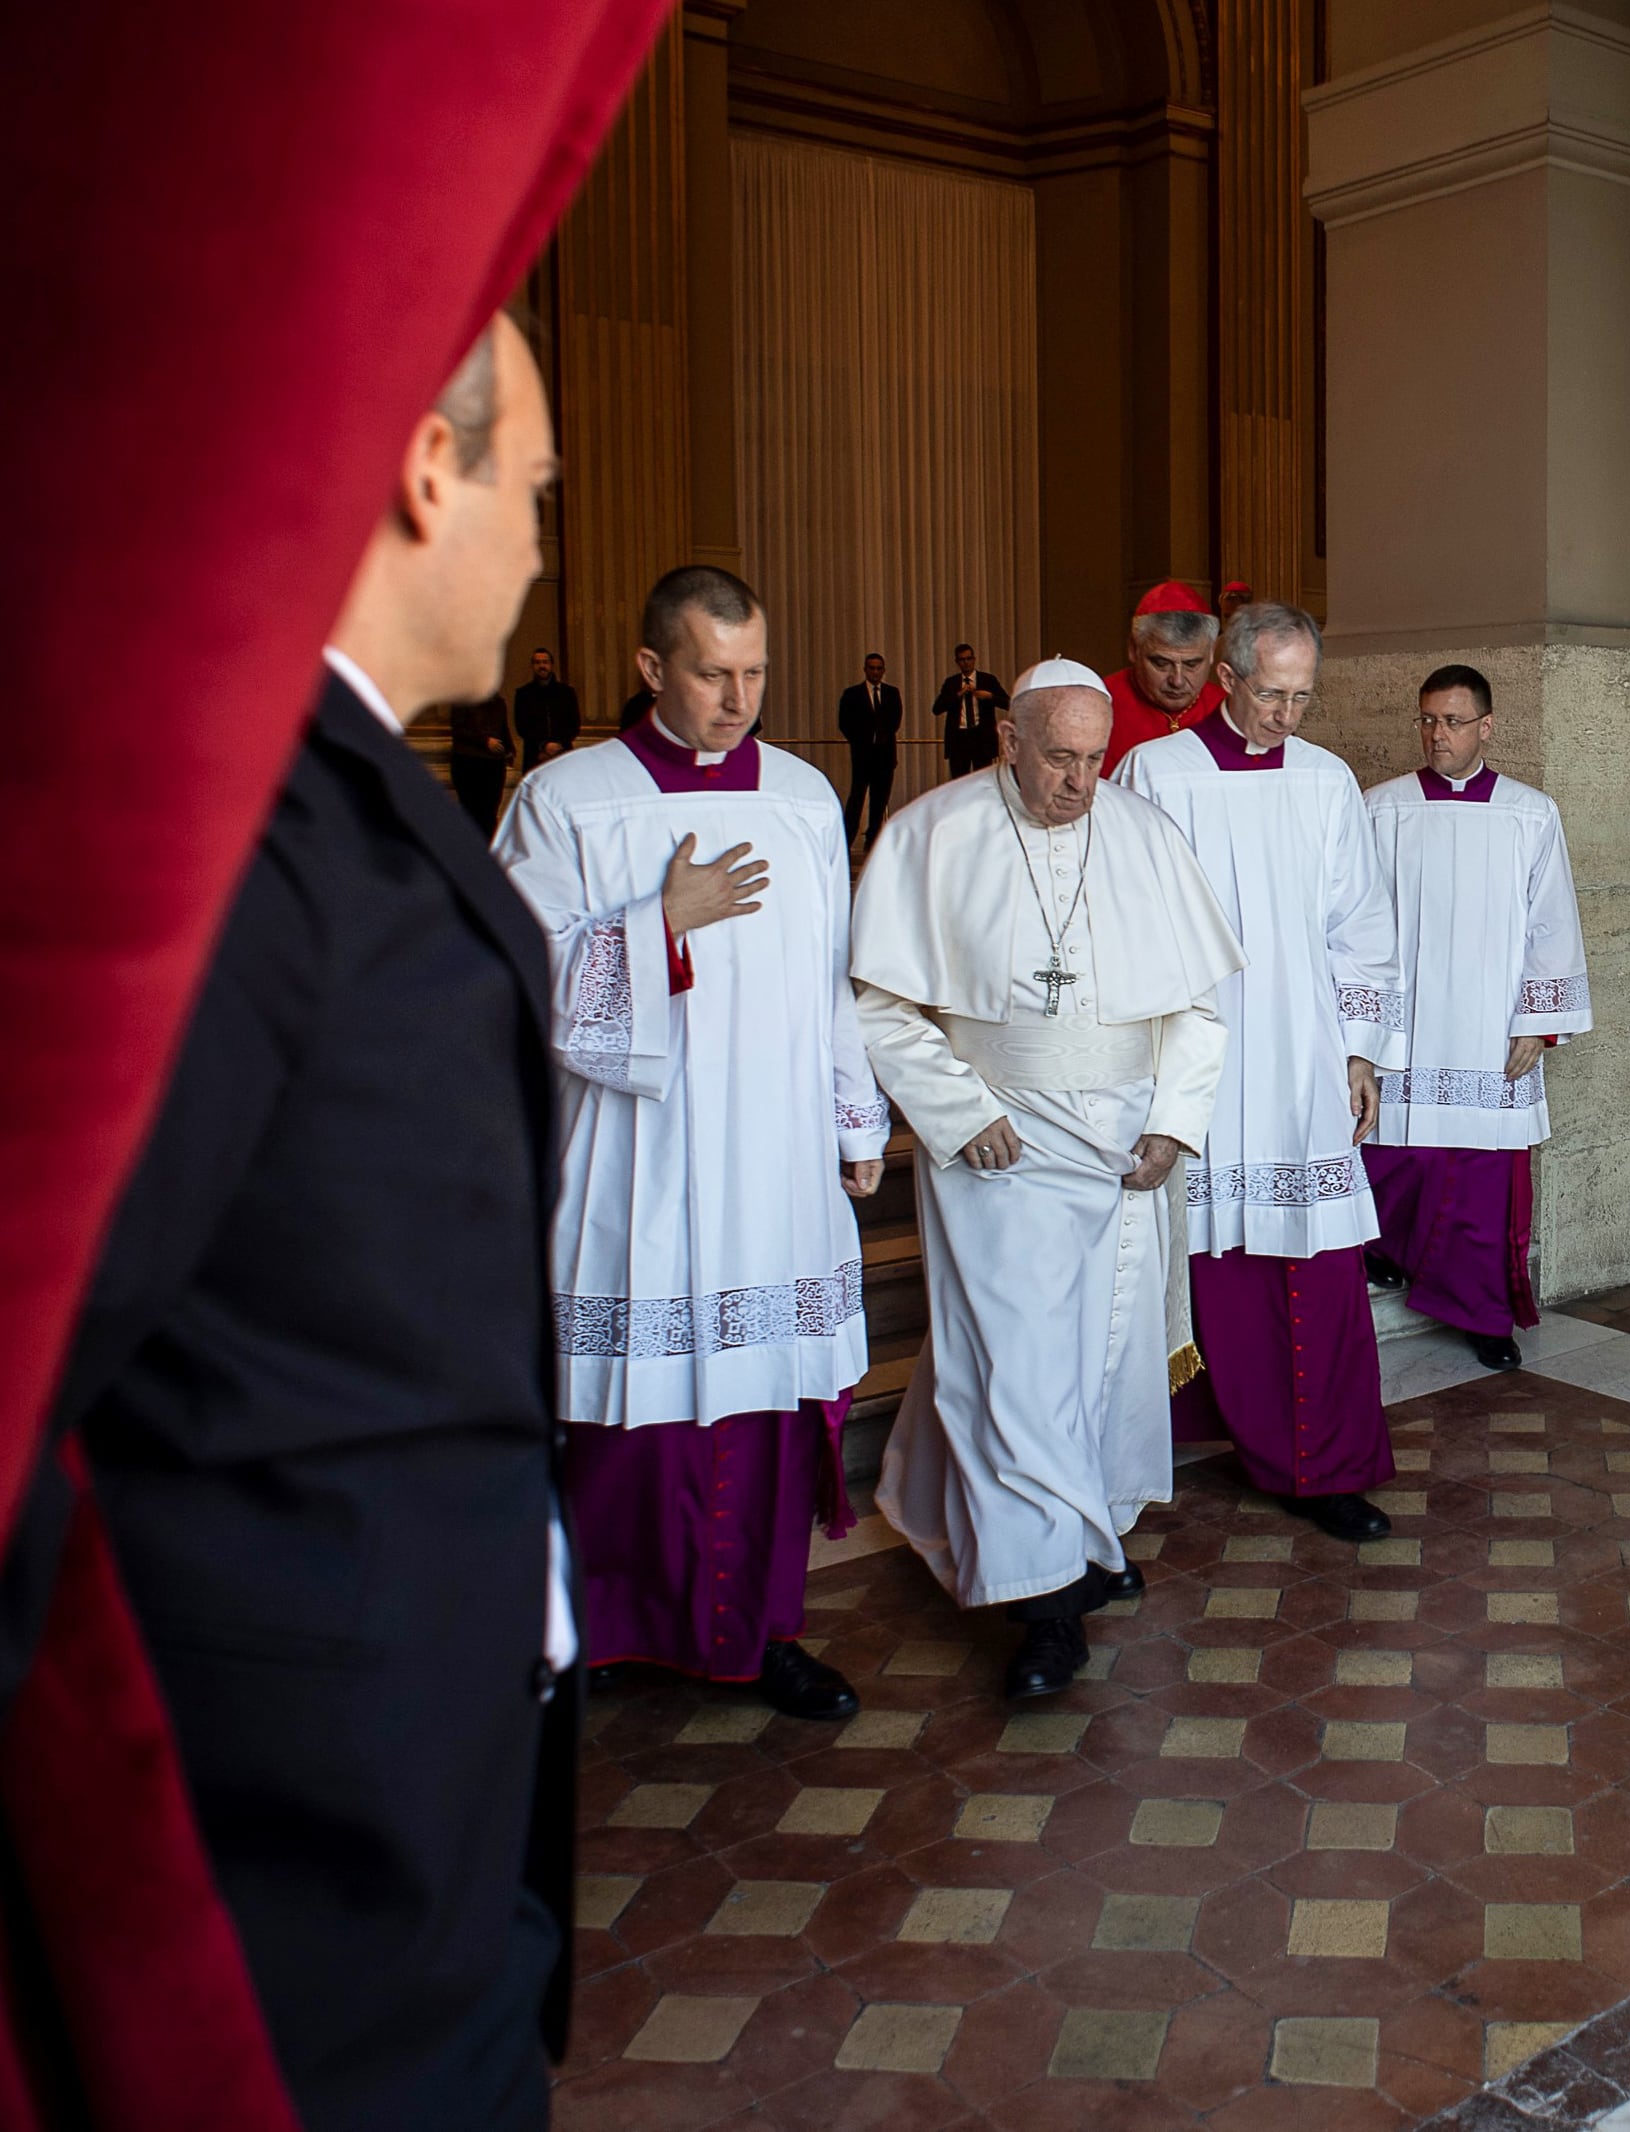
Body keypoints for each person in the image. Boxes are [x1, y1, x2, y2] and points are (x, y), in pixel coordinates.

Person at [48, 308, 575, 2127]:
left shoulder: (337, 776)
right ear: (430, 472)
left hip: (418, 1754)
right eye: (534, 491)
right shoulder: (238, 832)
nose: (541, 548)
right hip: (299, 1810)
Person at [494, 564, 886, 1722]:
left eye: (755, 672)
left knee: (764, 1404)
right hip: (637, 1157)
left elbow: (831, 977)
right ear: (652, 666)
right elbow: (508, 974)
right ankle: (601, 1633)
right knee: (630, 1416)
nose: (738, 698)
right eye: (713, 673)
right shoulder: (566, 799)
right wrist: (657, 923)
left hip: (773, 1158)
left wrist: (853, 1113)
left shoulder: (804, 798)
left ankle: (759, 1631)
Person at [851, 662, 1242, 1697]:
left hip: (1123, 1143)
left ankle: (1088, 1533)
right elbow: (881, 1002)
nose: (1078, 783)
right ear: (1009, 741)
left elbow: (1198, 1009)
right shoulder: (933, 833)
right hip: (1001, 1139)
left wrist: (1173, 1122)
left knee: (1107, 1354)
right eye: (1059, 757)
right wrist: (957, 1109)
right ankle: (1046, 1602)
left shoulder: (1145, 834)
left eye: (1094, 759)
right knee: (1014, 1362)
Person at [1115, 601, 1407, 1541]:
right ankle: (1200, 1439)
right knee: (1211, 1262)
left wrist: (1359, 1051)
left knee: (1317, 1265)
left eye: (1303, 696)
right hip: (1193, 1059)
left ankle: (1326, 1464)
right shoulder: (1156, 774)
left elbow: (1360, 928)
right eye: (1272, 694)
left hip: (1302, 1056)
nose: (1288, 714)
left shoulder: (1325, 780)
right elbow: (1124, 923)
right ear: (1227, 679)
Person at [1360, 664, 1592, 1371]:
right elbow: (1356, 923)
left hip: (1491, 1026)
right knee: (1397, 1156)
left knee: (1482, 1179)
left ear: (1486, 727)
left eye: (1454, 722)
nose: (1438, 735)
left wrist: (1536, 1022)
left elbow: (1552, 923)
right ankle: (1386, 1251)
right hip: (1407, 1026)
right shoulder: (1380, 809)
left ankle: (1481, 1312)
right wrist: (1361, 1030)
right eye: (1428, 720)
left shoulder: (1530, 812)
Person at [1102, 581, 1224, 772]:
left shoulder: (1228, 709)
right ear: (1133, 649)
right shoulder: (1100, 703)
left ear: (1211, 652)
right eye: (1161, 663)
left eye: (1191, 664)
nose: (1177, 681)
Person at [837, 650, 902, 849]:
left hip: (885, 756)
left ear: (883, 670)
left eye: (879, 669)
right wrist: (860, 741)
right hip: (862, 756)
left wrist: (881, 737)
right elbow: (844, 722)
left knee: (879, 802)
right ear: (865, 670)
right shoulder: (852, 694)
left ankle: (872, 841)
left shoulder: (892, 693)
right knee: (856, 799)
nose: (875, 672)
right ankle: (846, 841)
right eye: (872, 668)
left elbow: (895, 721)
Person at [446, 684, 515, 832]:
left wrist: (510, 749)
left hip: (493, 763)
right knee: (472, 811)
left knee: (490, 810)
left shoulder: (498, 702)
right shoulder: (463, 700)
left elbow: (503, 728)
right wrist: (485, 741)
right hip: (468, 761)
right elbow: (458, 729)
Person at [934, 642, 1005, 778]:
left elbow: (1007, 702)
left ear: (974, 659)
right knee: (959, 780)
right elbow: (937, 709)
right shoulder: (951, 683)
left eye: (969, 658)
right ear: (957, 662)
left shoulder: (987, 680)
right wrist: (958, 695)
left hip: (981, 737)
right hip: (959, 738)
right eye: (962, 660)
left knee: (983, 779)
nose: (966, 663)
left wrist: (990, 696)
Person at [515, 645, 581, 766]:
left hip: (562, 753)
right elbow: (522, 727)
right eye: (537, 662)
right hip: (534, 755)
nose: (542, 666)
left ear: (551, 665)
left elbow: (574, 724)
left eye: (545, 662)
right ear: (532, 666)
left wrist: (558, 744)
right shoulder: (523, 694)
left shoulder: (567, 693)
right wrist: (544, 745)